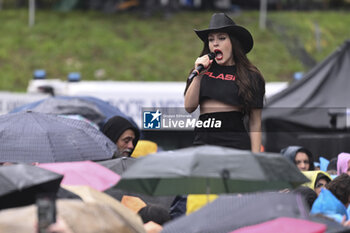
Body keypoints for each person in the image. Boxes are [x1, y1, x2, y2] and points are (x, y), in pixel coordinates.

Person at [184, 12, 265, 152]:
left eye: (221, 38)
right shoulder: (201, 70)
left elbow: (255, 122)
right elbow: (189, 107)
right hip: (204, 141)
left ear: (233, 42)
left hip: (236, 143)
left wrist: (255, 157)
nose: (215, 43)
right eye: (211, 39)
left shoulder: (251, 75)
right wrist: (198, 76)